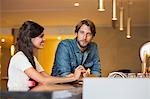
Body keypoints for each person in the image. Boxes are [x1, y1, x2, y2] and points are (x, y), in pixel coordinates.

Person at [7, 21, 84, 91]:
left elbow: (48, 78)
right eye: (41, 36)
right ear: (30, 38)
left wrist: (73, 77)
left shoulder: (32, 58)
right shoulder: (20, 57)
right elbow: (43, 80)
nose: (44, 39)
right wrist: (73, 77)